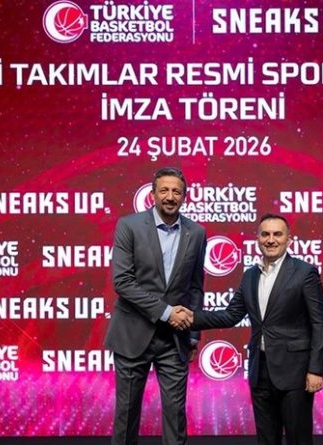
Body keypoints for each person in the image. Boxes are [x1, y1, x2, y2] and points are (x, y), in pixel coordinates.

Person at [192, 213, 323, 445]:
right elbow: (231, 315)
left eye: (277, 234)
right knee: (266, 439)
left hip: (295, 373)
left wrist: (316, 370)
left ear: (288, 240)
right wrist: (191, 317)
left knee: (298, 439)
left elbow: (320, 323)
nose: (271, 239)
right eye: (265, 234)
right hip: (260, 371)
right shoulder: (250, 275)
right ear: (258, 238)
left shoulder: (305, 272)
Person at [104, 167, 207, 445]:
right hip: (132, 334)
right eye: (164, 190)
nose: (170, 196)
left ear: (184, 196)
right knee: (126, 415)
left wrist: (193, 335)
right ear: (153, 195)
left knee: (176, 416)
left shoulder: (197, 233)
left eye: (176, 191)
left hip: (175, 340)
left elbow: (195, 287)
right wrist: (166, 312)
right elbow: (123, 282)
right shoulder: (129, 226)